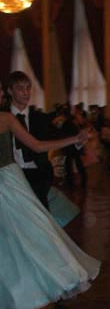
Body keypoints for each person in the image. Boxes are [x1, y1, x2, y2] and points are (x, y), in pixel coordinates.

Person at [0, 108, 100, 309]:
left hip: (10, 183)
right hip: (9, 181)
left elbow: (36, 145)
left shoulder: (6, 118)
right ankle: (8, 297)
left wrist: (74, 138)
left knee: (36, 232)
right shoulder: (7, 117)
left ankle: (59, 276)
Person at [6, 71, 58, 209]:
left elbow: (57, 137)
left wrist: (77, 142)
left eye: (28, 88)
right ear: (10, 91)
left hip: (38, 173)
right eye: (20, 88)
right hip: (12, 175)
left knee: (41, 213)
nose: (26, 93)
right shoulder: (3, 117)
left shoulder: (40, 118)